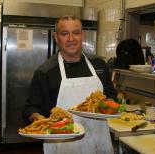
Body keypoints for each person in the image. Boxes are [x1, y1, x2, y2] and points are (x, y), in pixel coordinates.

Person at [23, 15, 117, 154]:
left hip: (99, 142)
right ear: (56, 37)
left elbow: (110, 95)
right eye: (64, 33)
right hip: (62, 146)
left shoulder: (99, 65)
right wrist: (40, 120)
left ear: (82, 35)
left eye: (76, 33)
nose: (71, 39)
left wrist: (109, 104)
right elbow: (30, 108)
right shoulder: (45, 72)